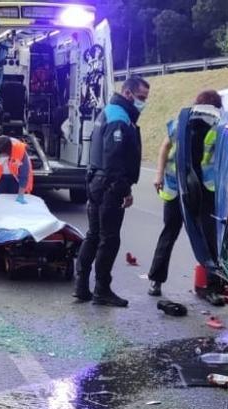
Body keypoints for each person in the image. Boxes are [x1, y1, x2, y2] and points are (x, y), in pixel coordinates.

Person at [75, 75, 150, 308]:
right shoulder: (119, 117)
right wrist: (125, 189)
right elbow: (114, 158)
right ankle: (102, 289)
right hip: (110, 185)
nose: (143, 102)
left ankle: (81, 285)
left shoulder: (109, 111)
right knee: (109, 239)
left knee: (94, 235)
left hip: (96, 182)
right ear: (127, 93)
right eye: (140, 97)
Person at [150, 90, 224, 297]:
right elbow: (165, 147)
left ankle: (212, 287)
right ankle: (156, 280)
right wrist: (158, 175)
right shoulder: (181, 124)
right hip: (179, 187)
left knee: (207, 237)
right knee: (174, 233)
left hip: (202, 189)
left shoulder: (217, 126)